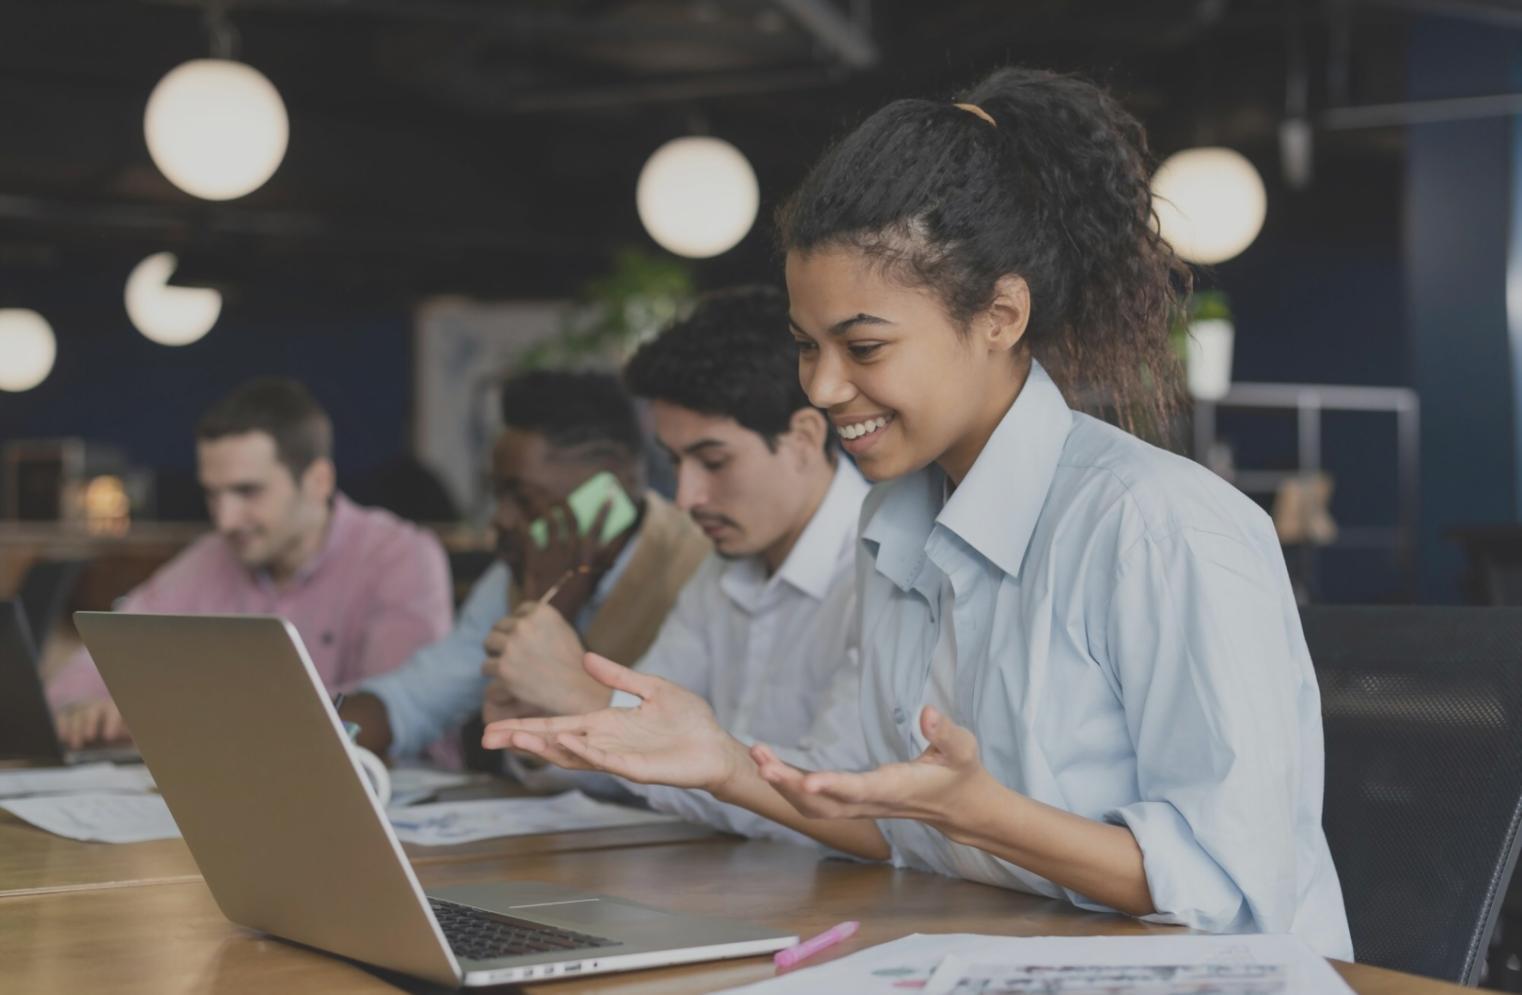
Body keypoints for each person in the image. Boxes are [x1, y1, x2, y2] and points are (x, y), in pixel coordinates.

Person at [482, 68, 1354, 956]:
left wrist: (986, 816)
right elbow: (901, 825)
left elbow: (1228, 891)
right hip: (1011, 956)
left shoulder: (1158, 529)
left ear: (1000, 315)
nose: (822, 387)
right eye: (806, 347)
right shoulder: (896, 523)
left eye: (863, 346)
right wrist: (723, 763)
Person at [480, 286, 869, 840]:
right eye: (675, 462)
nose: (687, 498)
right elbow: (659, 773)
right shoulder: (721, 567)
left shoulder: (884, 568)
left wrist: (582, 698)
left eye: (713, 461)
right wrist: (547, 733)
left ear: (804, 437)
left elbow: (849, 812)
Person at [49, 377, 452, 748]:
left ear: (318, 481)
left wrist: (181, 713)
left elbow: (391, 711)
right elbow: (91, 668)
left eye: (248, 491)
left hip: (397, 805)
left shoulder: (401, 557)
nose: (225, 519)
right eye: (212, 494)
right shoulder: (210, 557)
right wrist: (84, 708)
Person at [340, 370, 709, 766]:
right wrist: (322, 736)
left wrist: (550, 617)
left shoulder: (696, 567)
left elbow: (668, 756)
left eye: (524, 497)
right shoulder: (517, 574)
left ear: (613, 481)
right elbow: (418, 696)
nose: (500, 520)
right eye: (498, 494)